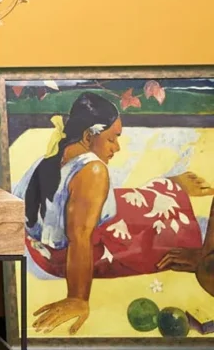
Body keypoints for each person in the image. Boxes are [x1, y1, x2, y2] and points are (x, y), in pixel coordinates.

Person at [11, 91, 214, 336]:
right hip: (69, 255)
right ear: (88, 136)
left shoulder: (54, 155)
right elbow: (80, 238)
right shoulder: (93, 171)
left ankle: (168, 188)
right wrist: (77, 298)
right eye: (112, 139)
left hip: (42, 246)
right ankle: (170, 195)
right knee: (166, 233)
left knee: (139, 204)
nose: (117, 147)